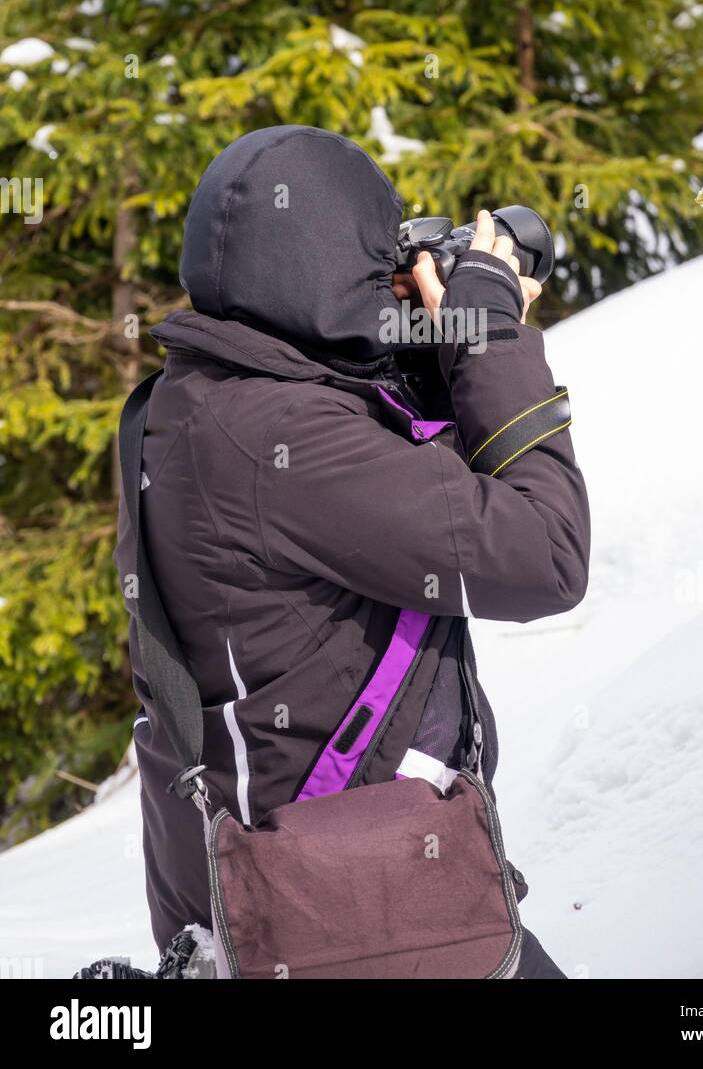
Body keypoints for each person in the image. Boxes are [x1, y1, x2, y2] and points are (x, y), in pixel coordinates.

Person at [115, 124, 591, 979]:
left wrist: (435, 339)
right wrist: (489, 333)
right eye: (379, 254)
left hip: (271, 890)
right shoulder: (282, 439)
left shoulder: (198, 399)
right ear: (326, 267)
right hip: (353, 910)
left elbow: (397, 478)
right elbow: (544, 555)